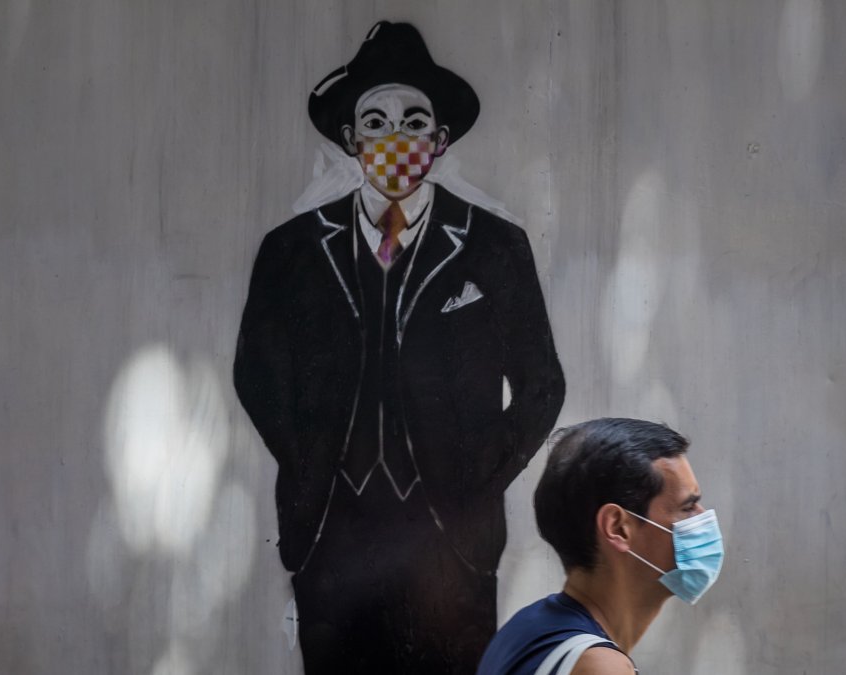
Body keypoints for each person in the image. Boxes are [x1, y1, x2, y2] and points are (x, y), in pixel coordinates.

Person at [233, 21, 565, 674]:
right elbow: (256, 372)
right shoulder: (292, 250)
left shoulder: (495, 247)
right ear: (352, 139)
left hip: (452, 540)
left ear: (439, 141)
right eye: (376, 122)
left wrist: (478, 475)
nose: (394, 139)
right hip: (331, 535)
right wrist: (308, 459)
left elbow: (541, 385)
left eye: (414, 122)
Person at [477, 418, 725, 675]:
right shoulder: (598, 666)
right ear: (618, 528)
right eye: (687, 507)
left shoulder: (525, 628)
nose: (703, 517)